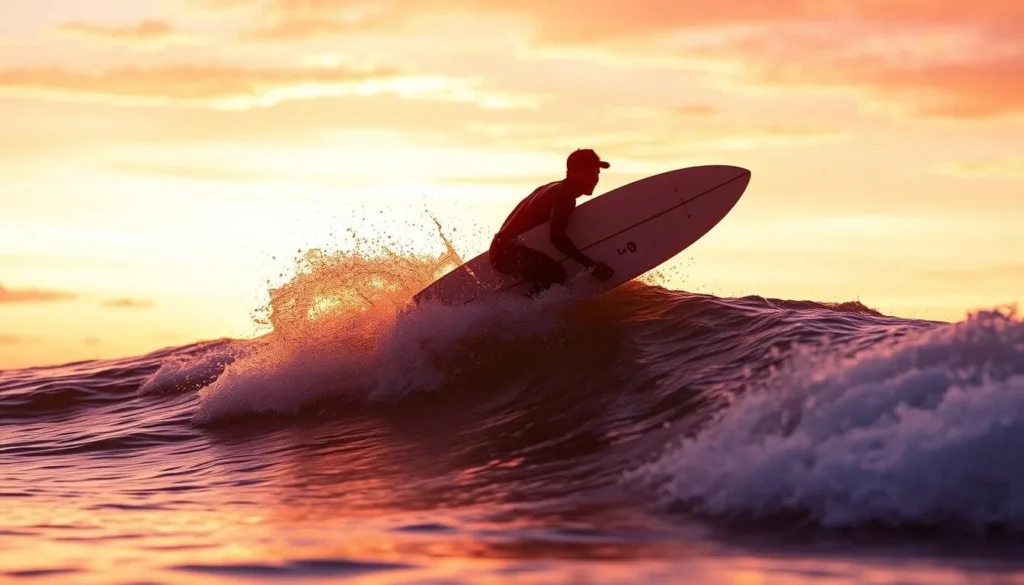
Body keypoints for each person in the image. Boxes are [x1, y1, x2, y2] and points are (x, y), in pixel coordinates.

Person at [488, 148, 615, 298]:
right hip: (507, 251)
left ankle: (526, 305)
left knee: (550, 272)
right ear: (574, 172)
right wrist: (589, 264)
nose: (595, 178)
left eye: (597, 172)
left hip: (503, 248)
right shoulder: (564, 196)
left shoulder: (554, 188)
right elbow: (556, 237)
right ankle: (525, 312)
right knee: (555, 274)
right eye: (591, 172)